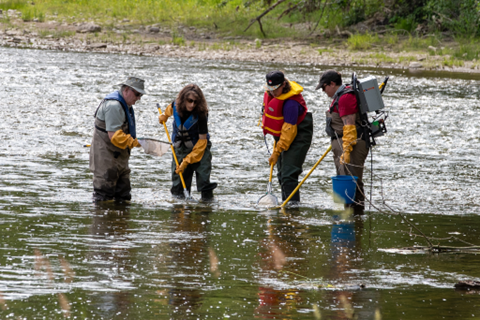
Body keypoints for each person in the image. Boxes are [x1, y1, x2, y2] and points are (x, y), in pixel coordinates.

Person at [316, 70, 369, 215]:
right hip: (343, 143)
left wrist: (346, 150)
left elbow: (349, 126)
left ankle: (355, 216)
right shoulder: (341, 96)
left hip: (352, 146)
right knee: (349, 183)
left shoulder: (345, 98)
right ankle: (353, 220)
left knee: (352, 182)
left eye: (324, 87)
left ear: (332, 84)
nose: (323, 91)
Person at [89, 76, 146, 202]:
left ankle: (120, 221)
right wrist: (135, 142)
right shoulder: (114, 105)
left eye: (141, 95)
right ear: (126, 90)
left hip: (119, 158)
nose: (139, 98)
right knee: (103, 198)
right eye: (137, 94)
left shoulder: (126, 105)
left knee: (124, 197)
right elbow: (114, 136)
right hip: (105, 158)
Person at [158, 84, 217, 201]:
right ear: (183, 99)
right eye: (189, 101)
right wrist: (163, 116)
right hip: (180, 149)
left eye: (195, 102)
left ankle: (205, 208)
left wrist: (187, 161)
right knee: (178, 186)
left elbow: (202, 142)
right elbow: (168, 112)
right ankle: (179, 213)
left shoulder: (201, 114)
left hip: (200, 148)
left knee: (204, 181)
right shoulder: (175, 105)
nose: (192, 105)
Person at [262, 71, 313, 203]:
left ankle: (292, 210)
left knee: (288, 174)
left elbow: (289, 132)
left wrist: (277, 152)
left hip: (298, 135)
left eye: (275, 89)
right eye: (270, 89)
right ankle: (285, 205)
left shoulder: (291, 104)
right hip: (283, 135)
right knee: (280, 174)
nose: (272, 93)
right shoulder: (273, 95)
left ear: (284, 84)